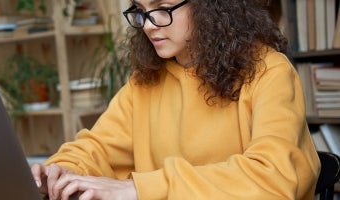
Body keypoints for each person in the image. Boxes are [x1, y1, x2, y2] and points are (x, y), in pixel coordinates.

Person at [31, 0, 321, 199]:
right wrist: (62, 171)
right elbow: (97, 149)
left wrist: (139, 190)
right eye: (141, 10)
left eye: (163, 8)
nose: (148, 25)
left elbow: (274, 179)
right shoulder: (144, 83)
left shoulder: (270, 71)